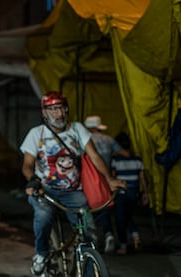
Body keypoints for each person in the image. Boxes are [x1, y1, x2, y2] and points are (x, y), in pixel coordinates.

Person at [20, 92, 126, 276]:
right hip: (45, 191)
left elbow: (94, 156)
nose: (59, 113)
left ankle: (87, 262)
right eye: (53, 109)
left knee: (89, 234)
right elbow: (27, 165)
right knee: (43, 216)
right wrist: (33, 180)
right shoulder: (37, 133)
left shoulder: (77, 129)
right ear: (44, 112)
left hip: (73, 192)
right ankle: (41, 253)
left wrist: (109, 179)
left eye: (61, 108)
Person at [84, 115, 130, 254]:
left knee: (87, 206)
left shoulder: (85, 140)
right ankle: (109, 233)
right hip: (107, 177)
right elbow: (126, 154)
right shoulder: (108, 139)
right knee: (105, 205)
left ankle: (93, 236)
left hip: (89, 179)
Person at [111, 132, 149, 255]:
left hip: (121, 193)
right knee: (128, 216)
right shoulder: (137, 160)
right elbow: (142, 178)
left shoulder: (115, 160)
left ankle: (123, 246)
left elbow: (113, 177)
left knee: (120, 219)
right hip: (134, 192)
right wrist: (145, 193)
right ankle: (135, 235)